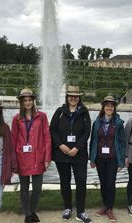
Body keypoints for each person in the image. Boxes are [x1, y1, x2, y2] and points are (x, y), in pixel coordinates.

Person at [50, 86, 92, 223]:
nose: (73, 98)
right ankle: (67, 208)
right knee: (65, 181)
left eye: (76, 96)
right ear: (67, 97)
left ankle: (81, 211)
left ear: (79, 98)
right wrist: (61, 145)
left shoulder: (84, 112)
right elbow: (53, 130)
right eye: (71, 96)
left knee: (81, 181)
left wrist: (77, 148)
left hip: (79, 154)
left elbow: (87, 132)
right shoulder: (60, 112)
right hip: (62, 154)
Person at [11, 88, 51, 223]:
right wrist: (14, 160)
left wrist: (47, 158)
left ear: (33, 101)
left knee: (37, 188)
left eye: (29, 100)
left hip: (38, 157)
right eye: (25, 100)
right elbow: (13, 140)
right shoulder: (16, 119)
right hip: (22, 157)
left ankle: (32, 210)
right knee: (24, 187)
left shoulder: (42, 116)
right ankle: (28, 214)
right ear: (21, 103)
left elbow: (47, 138)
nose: (27, 103)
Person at [89, 95, 126, 222]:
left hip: (112, 158)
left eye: (111, 105)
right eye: (107, 105)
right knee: (103, 182)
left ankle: (110, 208)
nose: (109, 107)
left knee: (110, 183)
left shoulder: (118, 123)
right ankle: (105, 206)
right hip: (100, 157)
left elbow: (122, 142)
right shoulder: (97, 122)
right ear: (103, 107)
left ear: (114, 108)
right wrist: (92, 158)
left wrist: (122, 159)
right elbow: (93, 140)